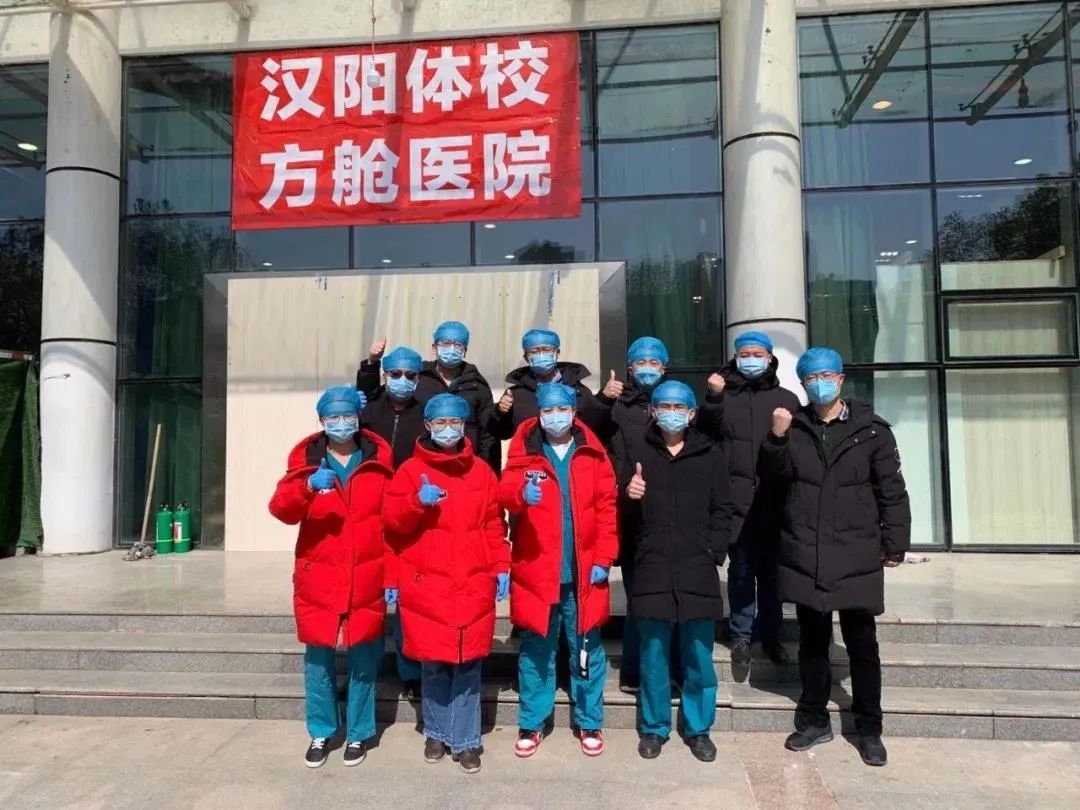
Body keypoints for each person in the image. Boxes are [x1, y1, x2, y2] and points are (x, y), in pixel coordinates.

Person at [758, 347, 910, 767]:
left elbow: (892, 491)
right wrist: (775, 440)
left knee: (862, 644)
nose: (820, 383)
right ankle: (813, 719)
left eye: (827, 376)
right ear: (803, 384)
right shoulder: (794, 426)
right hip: (807, 549)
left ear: (841, 379)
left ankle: (869, 728)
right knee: (812, 642)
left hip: (857, 550)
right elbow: (772, 481)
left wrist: (895, 542)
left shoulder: (872, 430)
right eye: (812, 378)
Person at [382, 393, 509, 774]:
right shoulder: (409, 471)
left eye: (455, 422)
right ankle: (436, 732)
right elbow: (392, 524)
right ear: (427, 426)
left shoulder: (482, 472)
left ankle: (467, 740)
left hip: (472, 580)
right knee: (434, 663)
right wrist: (415, 502)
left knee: (469, 665)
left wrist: (501, 565)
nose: (448, 429)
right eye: (440, 422)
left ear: (465, 425)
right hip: (427, 583)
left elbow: (493, 524)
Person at [268, 385, 394, 769]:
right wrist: (307, 488)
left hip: (366, 574)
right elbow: (281, 509)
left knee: (364, 658)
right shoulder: (306, 464)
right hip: (318, 576)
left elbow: (392, 526)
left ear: (358, 418)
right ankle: (321, 731)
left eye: (347, 416)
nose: (341, 423)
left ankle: (358, 733)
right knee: (318, 661)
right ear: (321, 421)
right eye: (333, 417)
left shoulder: (377, 463)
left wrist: (392, 576)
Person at [613, 380, 732, 763]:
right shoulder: (638, 451)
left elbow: (723, 508)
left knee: (698, 657)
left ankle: (698, 729)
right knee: (653, 656)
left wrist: (713, 550)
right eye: (664, 406)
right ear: (652, 411)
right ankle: (654, 727)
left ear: (692, 413)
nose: (671, 412)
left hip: (697, 567)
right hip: (653, 566)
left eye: (679, 407)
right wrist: (628, 496)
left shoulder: (710, 454)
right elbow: (621, 512)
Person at [498, 383, 618, 758]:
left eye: (562, 409)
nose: (555, 417)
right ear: (539, 414)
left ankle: (589, 720)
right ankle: (532, 722)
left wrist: (604, 558)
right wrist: (521, 496)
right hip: (538, 570)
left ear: (574, 412)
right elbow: (505, 492)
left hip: (583, 571)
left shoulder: (592, 454)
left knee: (586, 648)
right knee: (537, 649)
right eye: (548, 411)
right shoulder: (525, 451)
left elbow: (607, 509)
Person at [697, 331, 800, 682]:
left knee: (772, 575)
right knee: (741, 574)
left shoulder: (786, 399)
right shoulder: (723, 396)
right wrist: (713, 397)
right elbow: (704, 433)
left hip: (774, 502)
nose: (751, 359)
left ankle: (771, 636)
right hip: (735, 501)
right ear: (735, 357)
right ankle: (741, 636)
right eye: (745, 354)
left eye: (758, 354)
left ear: (770, 358)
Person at [352, 345, 426, 695]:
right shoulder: (368, 411)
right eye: (395, 374)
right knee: (366, 593)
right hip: (370, 509)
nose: (402, 380)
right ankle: (362, 670)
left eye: (410, 375)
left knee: (410, 597)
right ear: (385, 375)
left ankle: (412, 674)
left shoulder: (426, 413)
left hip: (411, 510)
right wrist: (369, 364)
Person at [606, 336, 671, 693]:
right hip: (630, 514)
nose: (647, 369)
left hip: (670, 515)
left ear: (664, 367)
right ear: (630, 368)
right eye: (641, 363)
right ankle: (632, 669)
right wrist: (604, 398)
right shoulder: (618, 406)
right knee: (637, 595)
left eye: (654, 362)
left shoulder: (675, 402)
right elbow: (594, 428)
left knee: (665, 595)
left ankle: (665, 669)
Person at [358, 321, 500, 473]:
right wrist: (371, 363)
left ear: (465, 350)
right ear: (434, 348)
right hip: (412, 460)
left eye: (458, 345)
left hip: (461, 463)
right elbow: (373, 397)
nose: (451, 349)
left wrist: (489, 472)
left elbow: (489, 434)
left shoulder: (477, 385)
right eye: (446, 343)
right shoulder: (421, 376)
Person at [492, 328, 618, 442]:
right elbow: (502, 433)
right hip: (532, 456)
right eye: (534, 352)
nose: (541, 355)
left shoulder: (578, 389)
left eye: (546, 350)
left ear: (557, 353)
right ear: (526, 357)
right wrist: (501, 412)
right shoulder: (515, 394)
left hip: (573, 455)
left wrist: (604, 398)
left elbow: (594, 428)